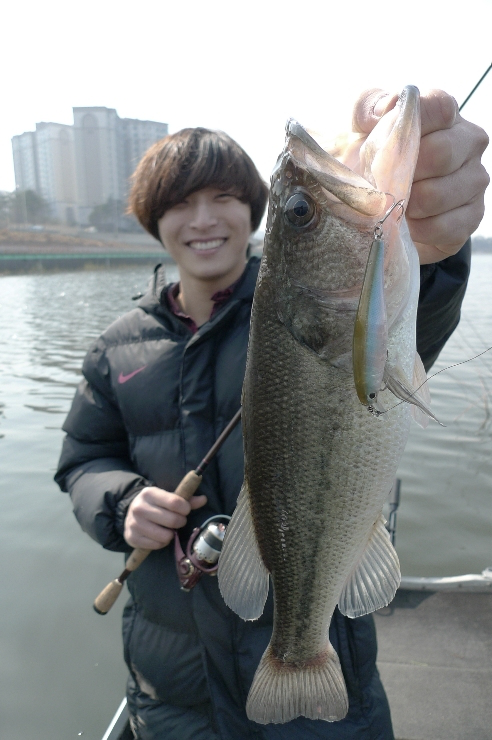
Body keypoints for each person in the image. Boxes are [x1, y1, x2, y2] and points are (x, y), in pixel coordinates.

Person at [56, 88, 489, 740]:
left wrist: (435, 246)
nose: (203, 218)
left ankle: (302, 650)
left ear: (253, 211)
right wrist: (121, 503)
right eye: (179, 203)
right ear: (152, 220)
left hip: (328, 684)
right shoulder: (115, 348)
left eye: (224, 197)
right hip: (174, 683)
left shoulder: (309, 302)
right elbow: (83, 460)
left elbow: (409, 317)